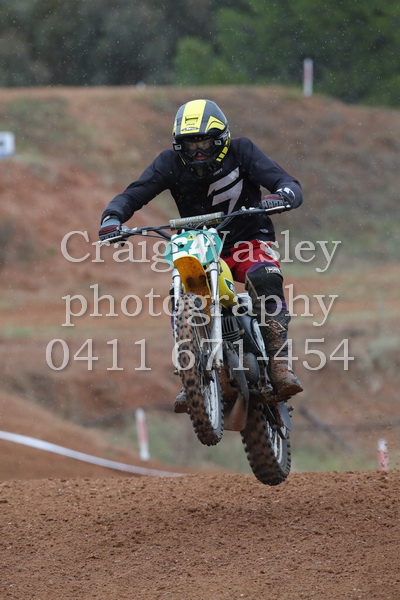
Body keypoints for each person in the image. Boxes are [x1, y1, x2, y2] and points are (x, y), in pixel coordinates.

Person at [99, 98, 303, 412]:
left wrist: (282, 195)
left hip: (248, 239)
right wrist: (113, 218)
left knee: (264, 278)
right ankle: (192, 374)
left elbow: (287, 183)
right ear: (178, 146)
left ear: (221, 139)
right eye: (189, 146)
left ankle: (279, 363)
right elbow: (133, 194)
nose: (197, 153)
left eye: (204, 144)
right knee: (180, 293)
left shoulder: (242, 151)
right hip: (199, 244)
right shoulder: (169, 163)